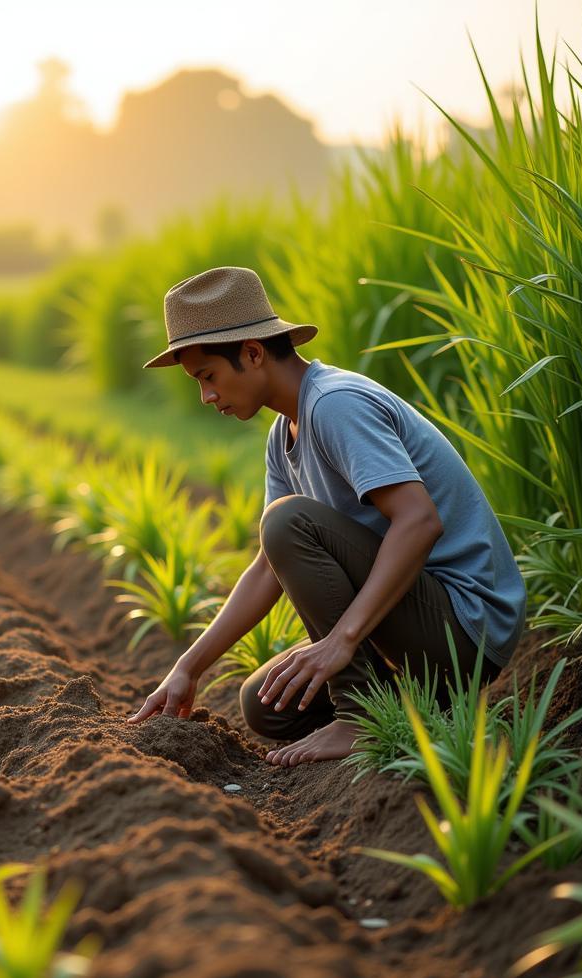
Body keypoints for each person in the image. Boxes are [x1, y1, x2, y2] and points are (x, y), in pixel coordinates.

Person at [126, 266, 526, 767]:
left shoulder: (335, 404)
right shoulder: (283, 433)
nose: (206, 396)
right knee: (267, 706)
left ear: (252, 352)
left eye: (208, 377)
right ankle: (416, 708)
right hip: (419, 630)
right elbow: (267, 567)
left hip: (465, 629)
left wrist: (342, 641)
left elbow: (419, 522)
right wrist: (189, 667)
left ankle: (359, 715)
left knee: (285, 521)